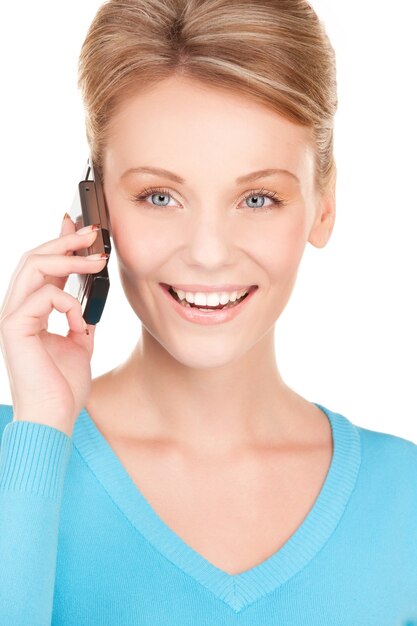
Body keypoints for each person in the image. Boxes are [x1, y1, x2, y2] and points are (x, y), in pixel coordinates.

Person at [0, 0, 416, 624]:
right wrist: (40, 432)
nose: (209, 254)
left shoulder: (404, 500)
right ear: (97, 211)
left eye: (258, 197)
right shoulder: (20, 454)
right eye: (159, 196)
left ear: (323, 204)